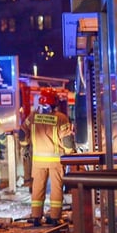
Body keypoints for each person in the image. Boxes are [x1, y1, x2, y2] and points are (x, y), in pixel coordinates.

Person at [19, 87, 75, 225]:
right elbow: (67, 140)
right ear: (54, 102)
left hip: (38, 161)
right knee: (56, 189)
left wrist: (25, 144)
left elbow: (22, 132)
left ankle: (36, 217)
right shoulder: (61, 118)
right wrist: (70, 153)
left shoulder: (32, 117)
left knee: (37, 188)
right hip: (56, 161)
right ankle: (55, 218)